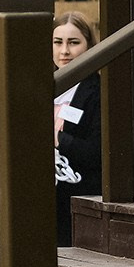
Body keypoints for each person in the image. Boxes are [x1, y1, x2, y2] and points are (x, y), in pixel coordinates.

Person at [52, 13, 103, 248]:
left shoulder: (98, 91)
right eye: (58, 42)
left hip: (79, 197)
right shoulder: (43, 87)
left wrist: (58, 139)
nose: (64, 51)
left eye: (73, 43)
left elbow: (96, 151)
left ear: (89, 45)